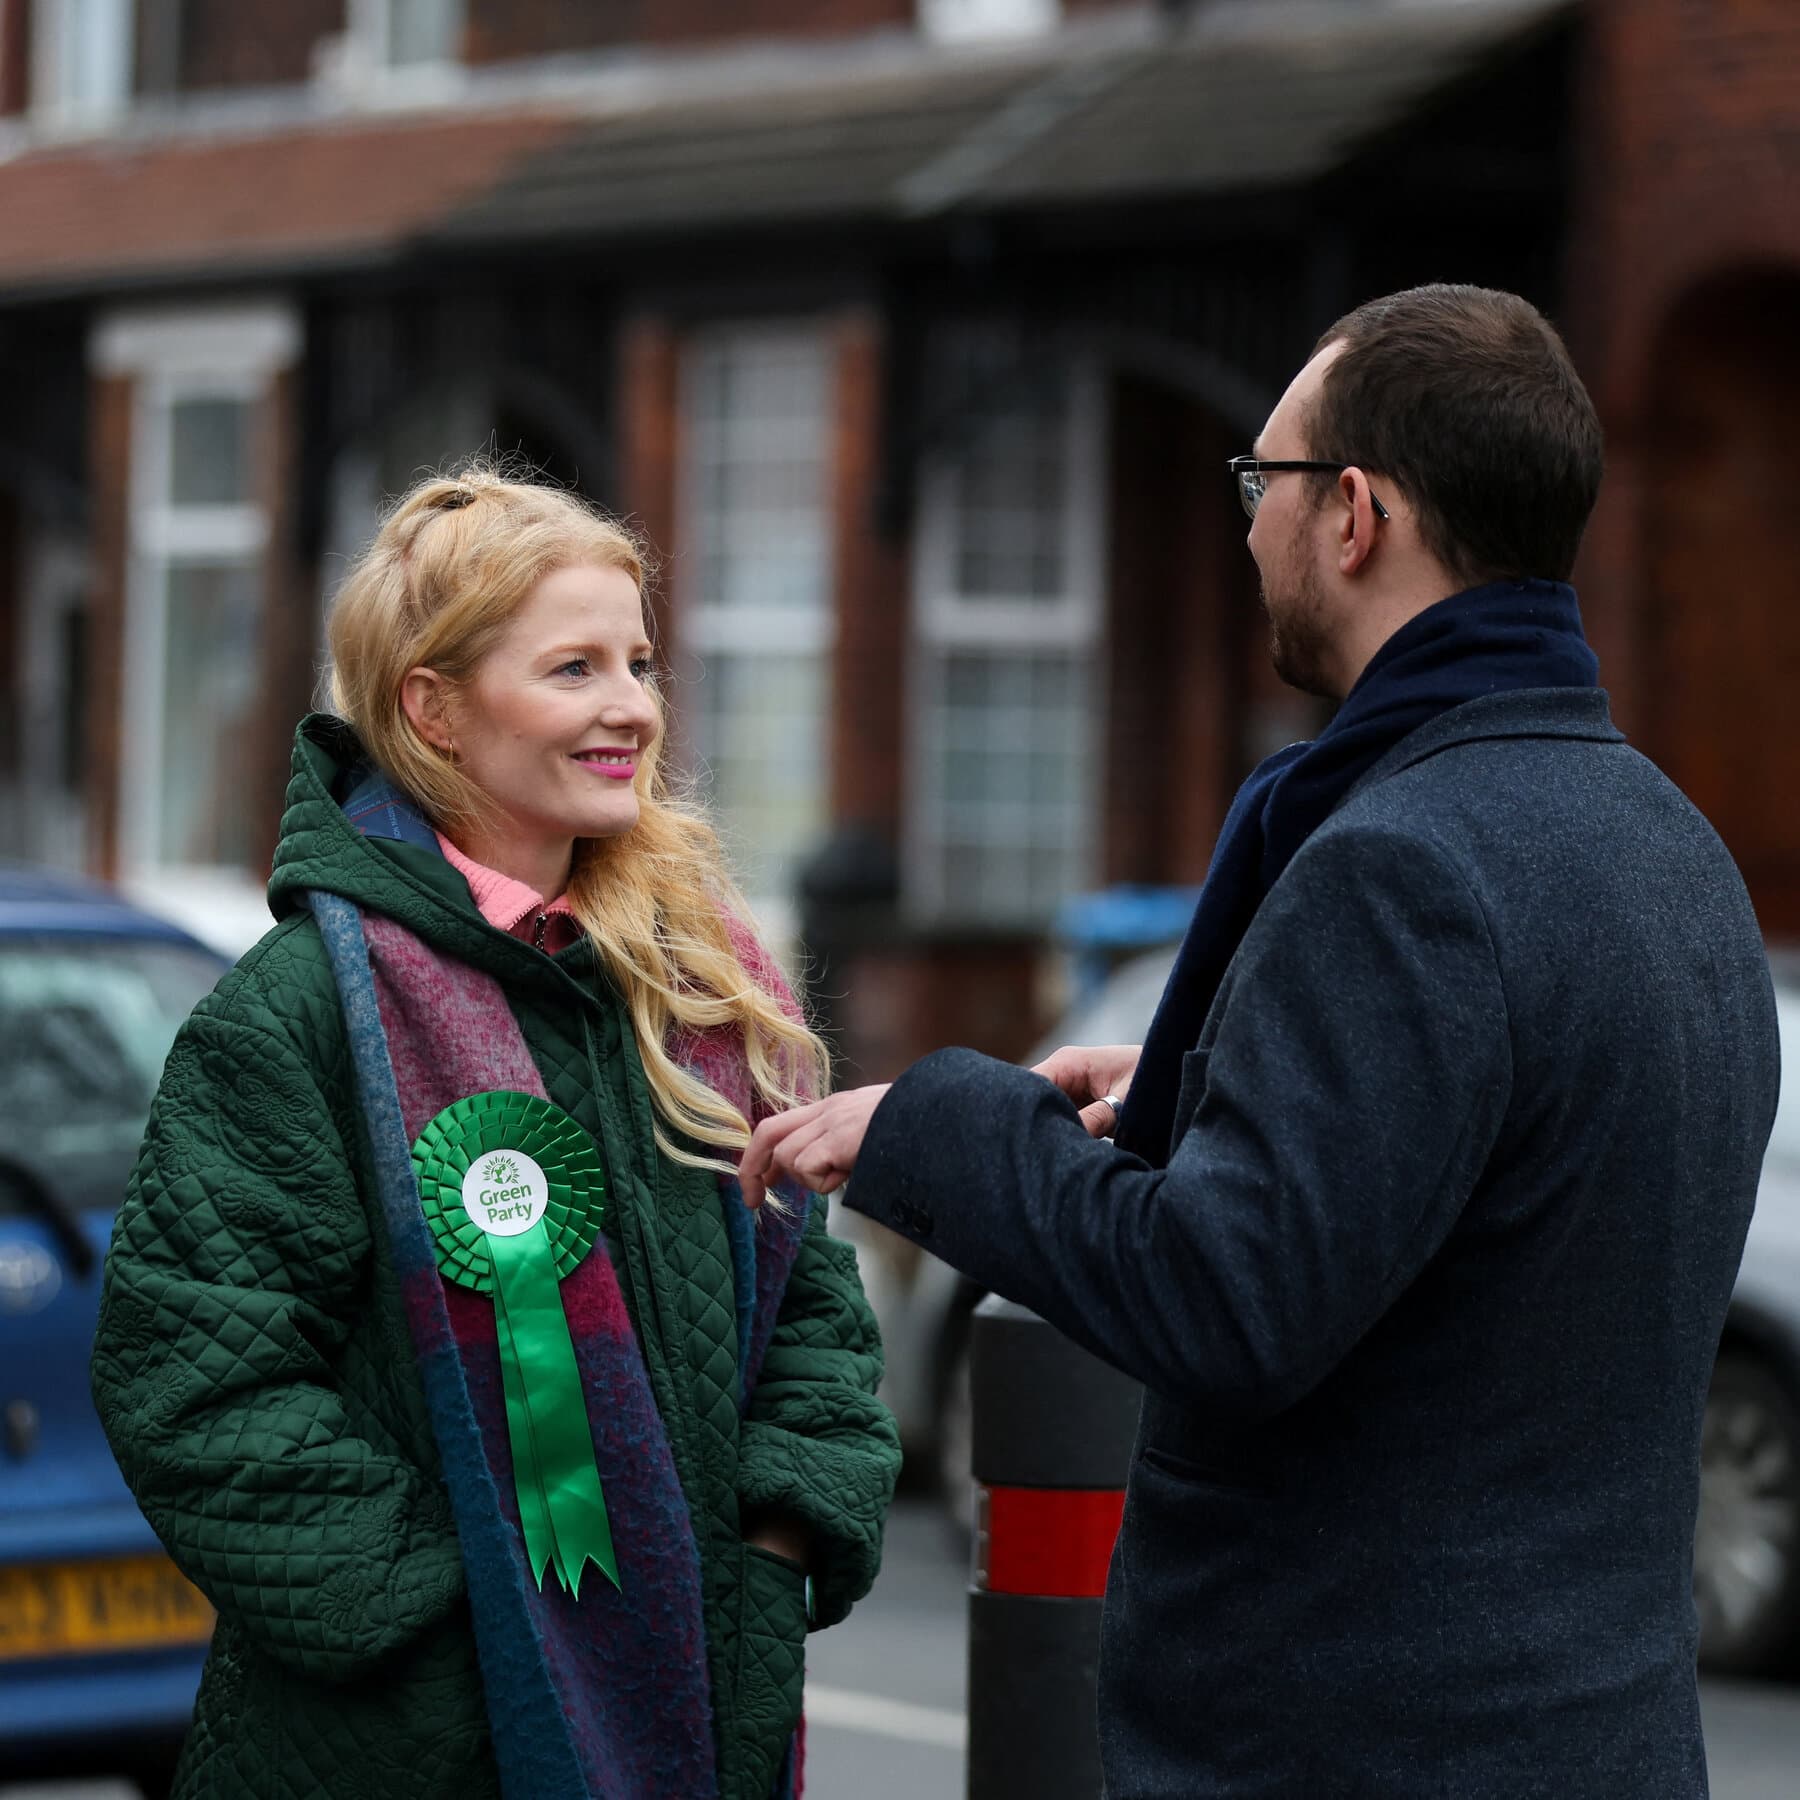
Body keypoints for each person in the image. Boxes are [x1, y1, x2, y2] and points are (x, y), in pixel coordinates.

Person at [740, 285, 1780, 1797]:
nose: (1247, 528)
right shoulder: (1670, 844)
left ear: (1353, 514)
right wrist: (1200, 1088)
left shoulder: (1399, 864)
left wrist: (936, 1127)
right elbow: (1482, 1199)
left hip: (1354, 1754)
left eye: (1262, 484)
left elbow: (1225, 1301)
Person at [92, 467, 900, 1800]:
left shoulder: (702, 987)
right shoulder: (296, 1013)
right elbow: (195, 1382)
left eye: (638, 663)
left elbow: (814, 1305)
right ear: (435, 708)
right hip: (391, 1751)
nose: (631, 707)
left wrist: (781, 1537)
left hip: (703, 1703)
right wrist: (454, 1620)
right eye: (574, 668)